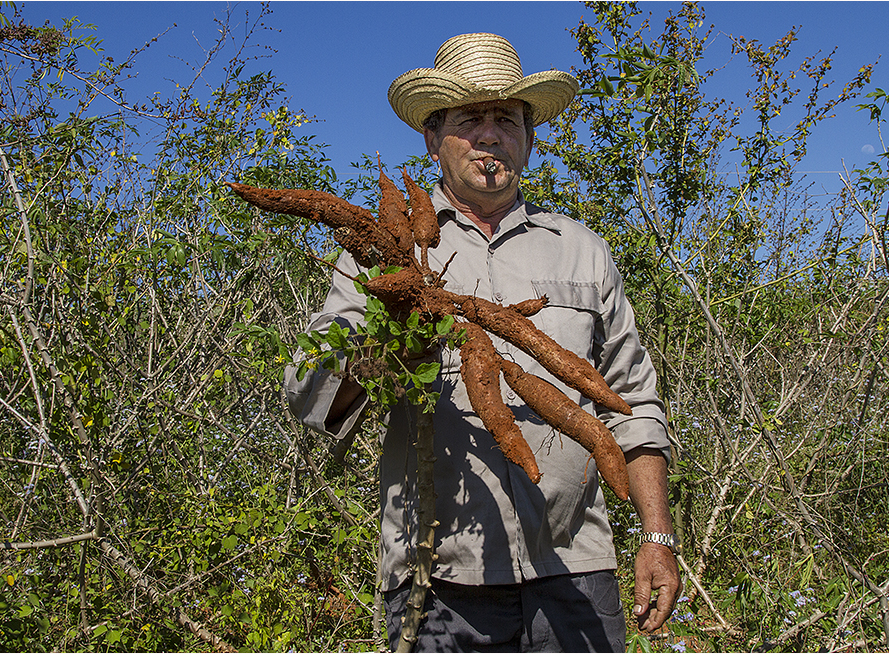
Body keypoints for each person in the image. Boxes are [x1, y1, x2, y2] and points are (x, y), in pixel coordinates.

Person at [284, 32, 682, 652]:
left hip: (575, 568)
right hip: (438, 574)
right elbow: (312, 399)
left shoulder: (581, 250)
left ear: (527, 136)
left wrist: (656, 534)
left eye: (507, 119)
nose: (490, 135)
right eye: (470, 119)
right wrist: (394, 347)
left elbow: (633, 403)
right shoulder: (381, 253)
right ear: (432, 137)